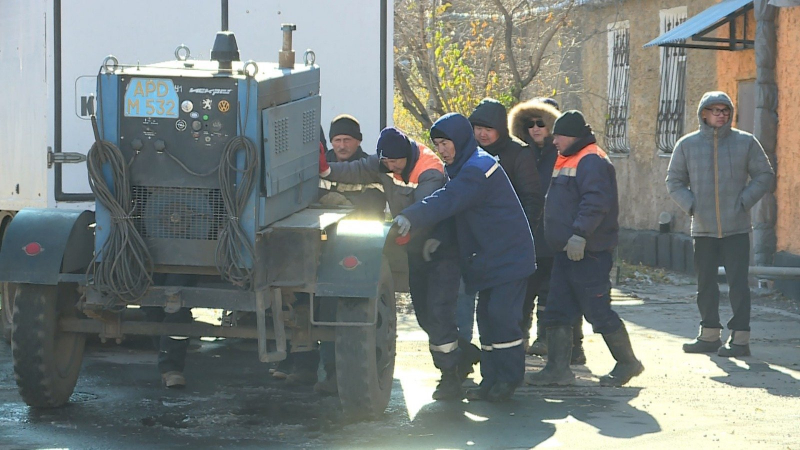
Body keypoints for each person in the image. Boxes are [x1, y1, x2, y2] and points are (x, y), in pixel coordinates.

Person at [394, 113, 536, 402]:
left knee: (501, 318)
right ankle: (490, 381)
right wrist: (438, 238)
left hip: (508, 257)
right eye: (437, 144)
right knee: (487, 319)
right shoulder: (465, 166)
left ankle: (507, 380)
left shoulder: (477, 168)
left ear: (460, 140)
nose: (442, 149)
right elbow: (458, 211)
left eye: (446, 142)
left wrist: (411, 216)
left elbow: (448, 199)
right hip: (492, 258)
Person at [319, 127, 464, 400]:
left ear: (406, 157)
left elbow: (428, 207)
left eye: (394, 163)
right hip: (415, 246)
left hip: (440, 247)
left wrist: (406, 221)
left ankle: (452, 377)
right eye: (385, 163)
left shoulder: (429, 170)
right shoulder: (385, 160)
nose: (390, 168)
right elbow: (359, 169)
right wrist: (328, 171)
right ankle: (461, 358)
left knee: (439, 312)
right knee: (424, 314)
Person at [524, 110, 643, 387]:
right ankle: (557, 369)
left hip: (588, 253)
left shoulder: (591, 160)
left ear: (572, 137)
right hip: (566, 253)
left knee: (597, 310)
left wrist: (579, 235)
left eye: (559, 137)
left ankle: (628, 363)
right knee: (557, 310)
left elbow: (596, 202)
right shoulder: (569, 157)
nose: (554, 142)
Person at [666, 91, 774, 357]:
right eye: (715, 110)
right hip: (703, 228)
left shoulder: (745, 142)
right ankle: (709, 335)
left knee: (739, 284)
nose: (721, 115)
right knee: (705, 284)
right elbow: (674, 181)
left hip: (736, 226)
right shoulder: (687, 145)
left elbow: (764, 174)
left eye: (725, 110)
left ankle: (739, 340)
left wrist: (743, 202)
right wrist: (692, 205)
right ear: (703, 114)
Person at [508, 99, 586, 364]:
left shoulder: (563, 154)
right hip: (527, 234)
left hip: (557, 234)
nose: (535, 128)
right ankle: (519, 343)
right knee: (524, 293)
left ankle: (570, 349)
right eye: (528, 124)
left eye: (541, 123)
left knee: (560, 294)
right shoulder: (520, 153)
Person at [467, 98, 544, 354]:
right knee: (485, 313)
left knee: (506, 312)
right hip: (480, 245)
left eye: (488, 128)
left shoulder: (518, 154)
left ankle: (511, 368)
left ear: (500, 128)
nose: (482, 134)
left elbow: (532, 198)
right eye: (477, 128)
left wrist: (522, 233)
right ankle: (491, 375)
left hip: (511, 245)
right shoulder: (469, 153)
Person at [318, 114, 386, 218]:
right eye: (337, 140)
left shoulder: (370, 168)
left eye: (347, 140)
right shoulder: (320, 166)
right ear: (331, 142)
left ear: (358, 141)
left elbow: (375, 202)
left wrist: (344, 203)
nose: (342, 146)